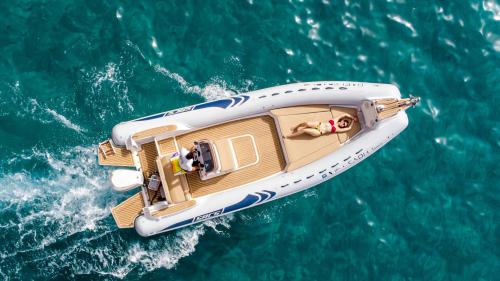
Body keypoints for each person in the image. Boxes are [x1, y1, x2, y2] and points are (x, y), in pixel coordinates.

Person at [287, 114, 357, 138]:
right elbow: (344, 115)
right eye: (344, 123)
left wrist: (353, 121)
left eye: (344, 125)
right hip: (319, 124)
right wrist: (352, 118)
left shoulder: (338, 129)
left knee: (304, 130)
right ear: (342, 120)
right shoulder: (336, 120)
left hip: (319, 131)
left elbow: (349, 128)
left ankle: (289, 136)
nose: (343, 125)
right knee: (306, 123)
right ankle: (295, 127)